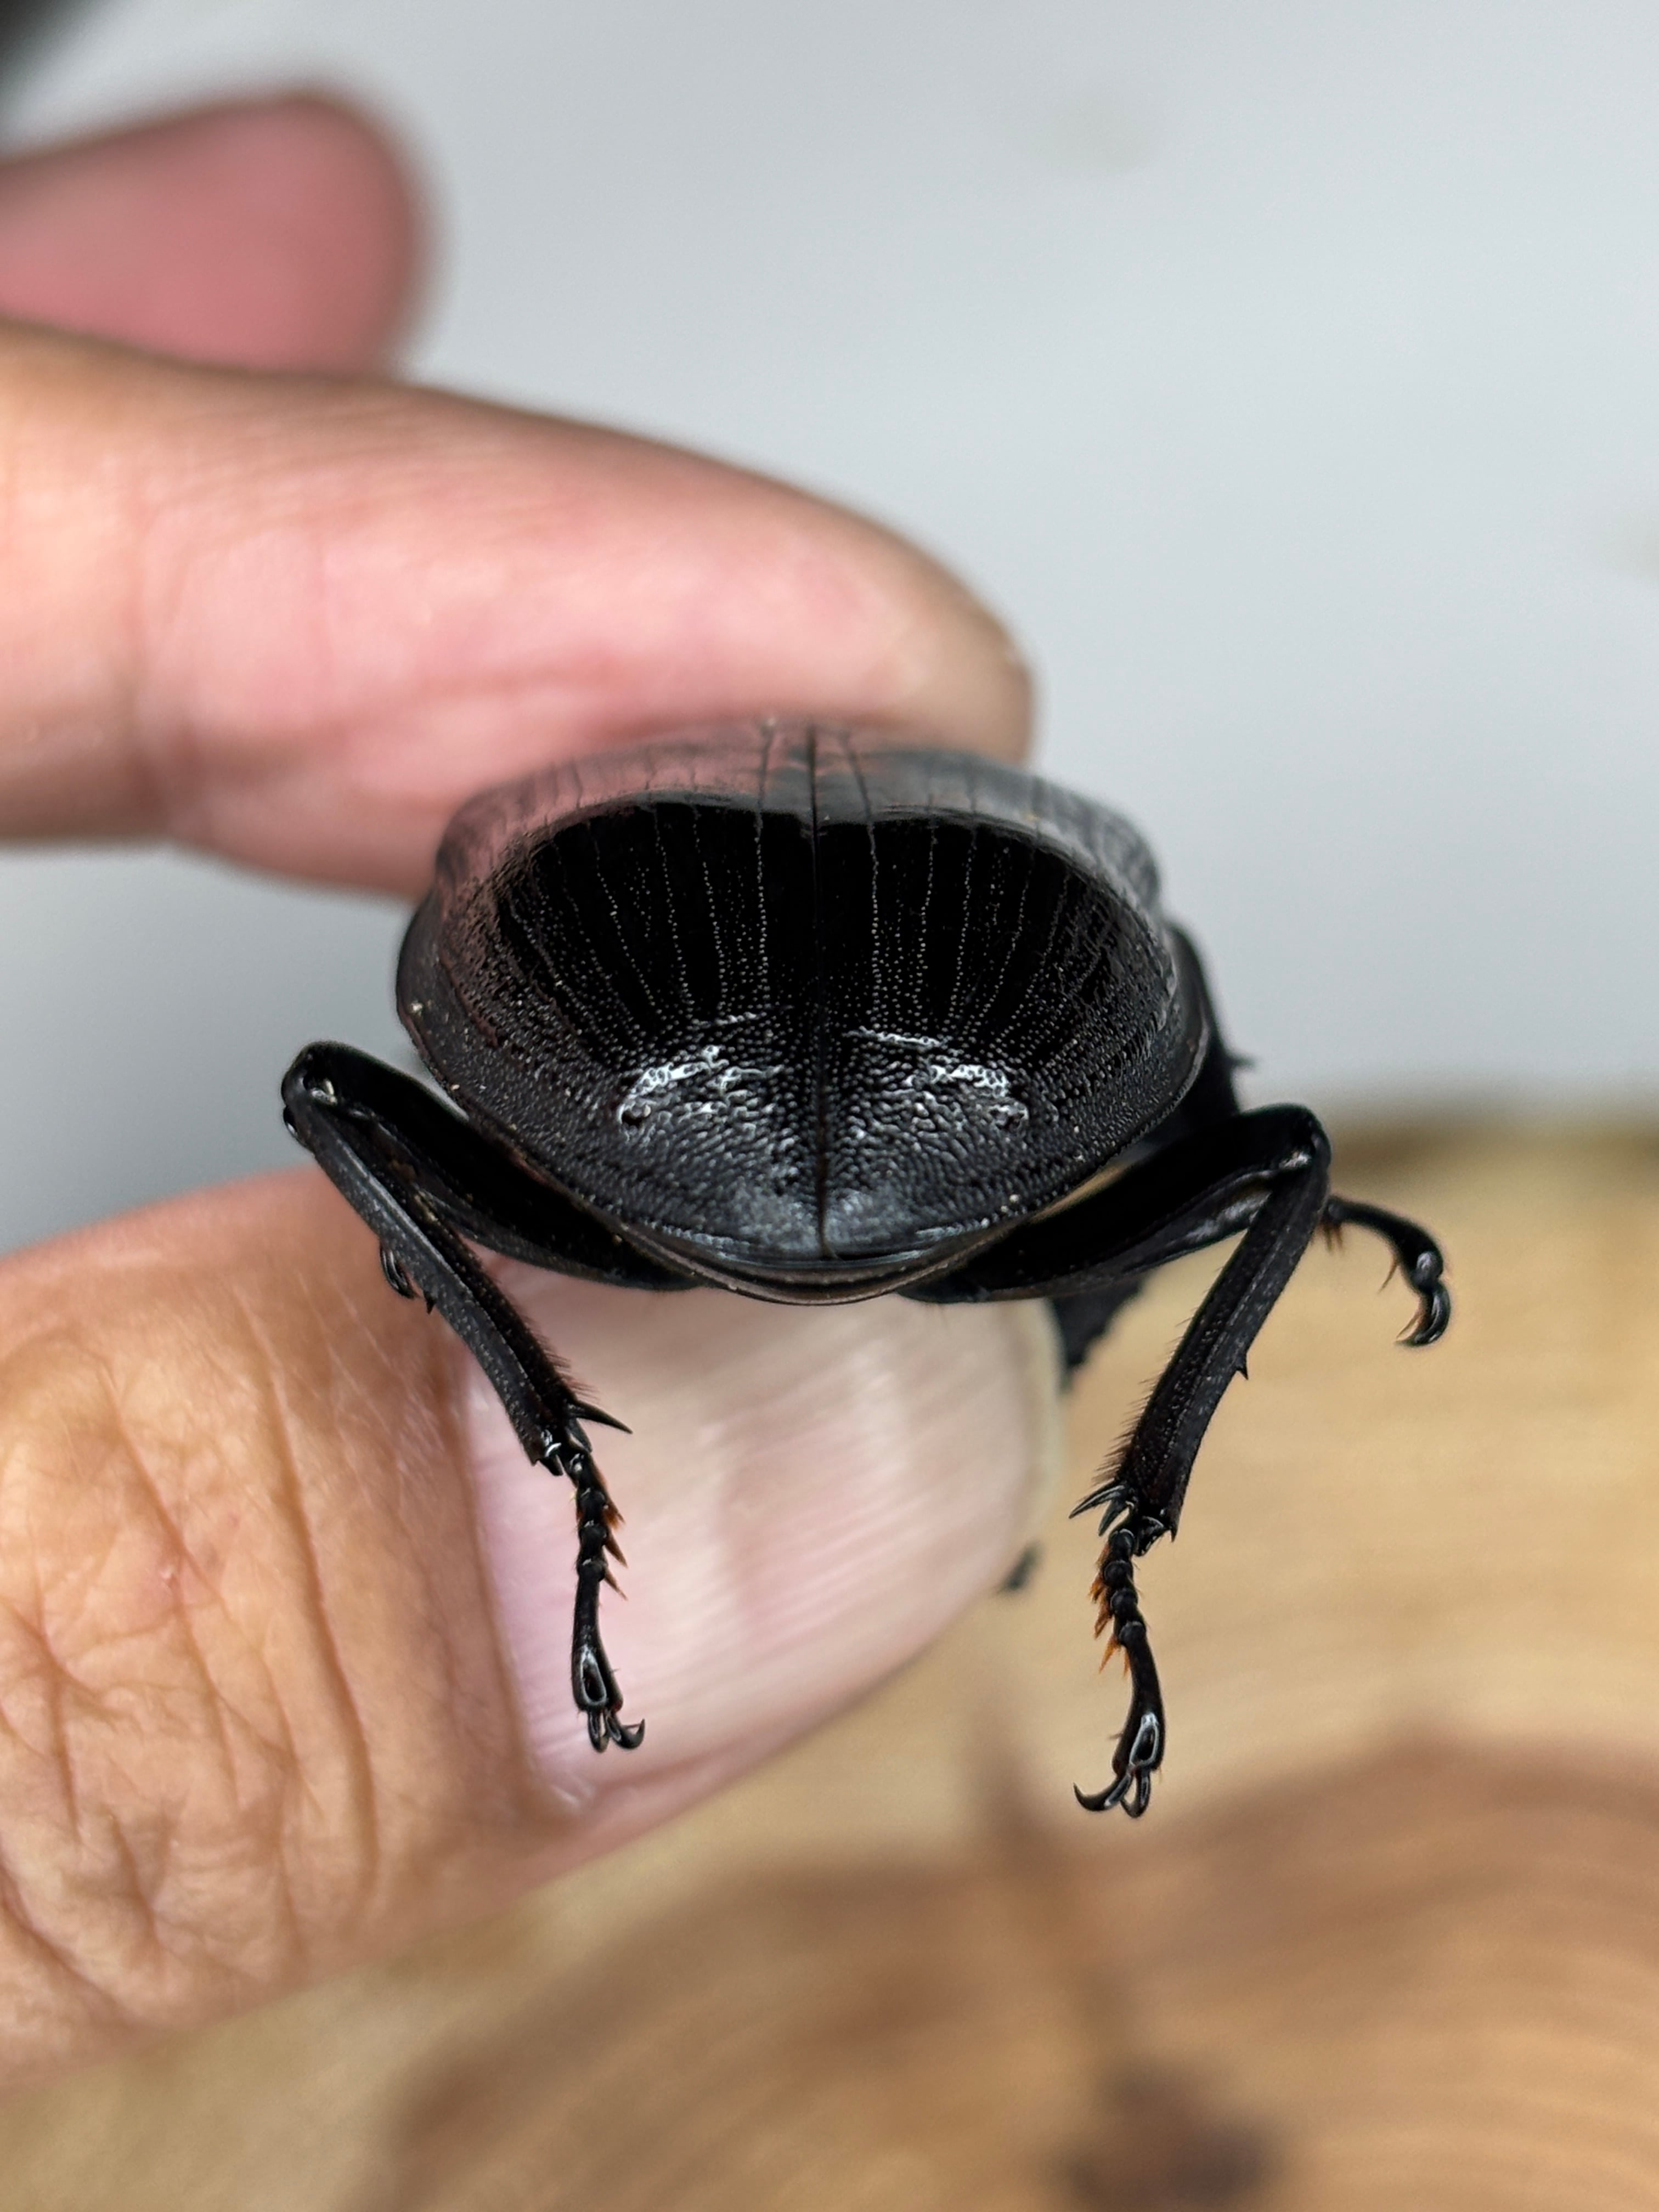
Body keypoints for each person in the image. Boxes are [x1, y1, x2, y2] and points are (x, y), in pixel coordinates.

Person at [0, 92, 1053, 2089]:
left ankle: (559, 1453)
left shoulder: (550, 884)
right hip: (973, 1058)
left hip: (658, 1079)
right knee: (1264, 1166)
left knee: (342, 1099)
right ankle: (630, 1461)